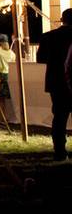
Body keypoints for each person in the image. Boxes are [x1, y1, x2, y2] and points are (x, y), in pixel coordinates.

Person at [36, 8, 72, 161]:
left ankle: (59, 151)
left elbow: (40, 59)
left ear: (61, 19)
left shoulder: (48, 37)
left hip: (56, 81)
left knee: (59, 117)